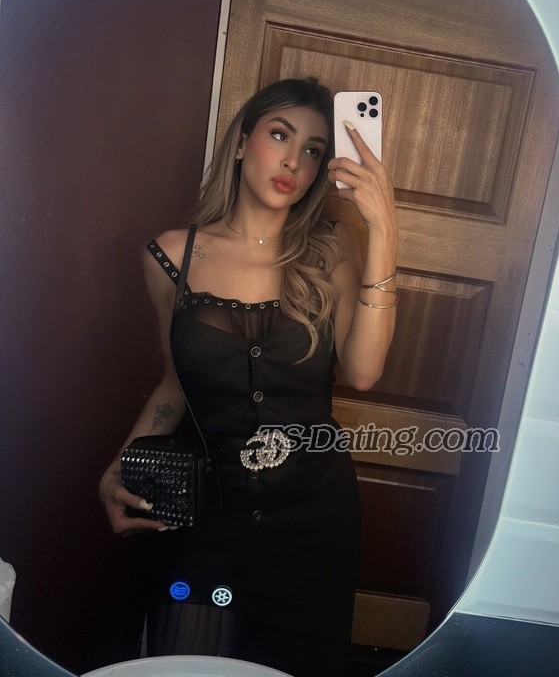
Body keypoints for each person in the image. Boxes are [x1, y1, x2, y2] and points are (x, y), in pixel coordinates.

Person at [98, 77, 398, 676]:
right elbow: (176, 381)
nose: (294, 161)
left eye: (313, 150)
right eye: (280, 135)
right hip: (205, 518)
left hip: (313, 525)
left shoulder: (332, 252)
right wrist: (119, 466)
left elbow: (364, 372)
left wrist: (384, 226)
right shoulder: (171, 255)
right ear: (240, 142)